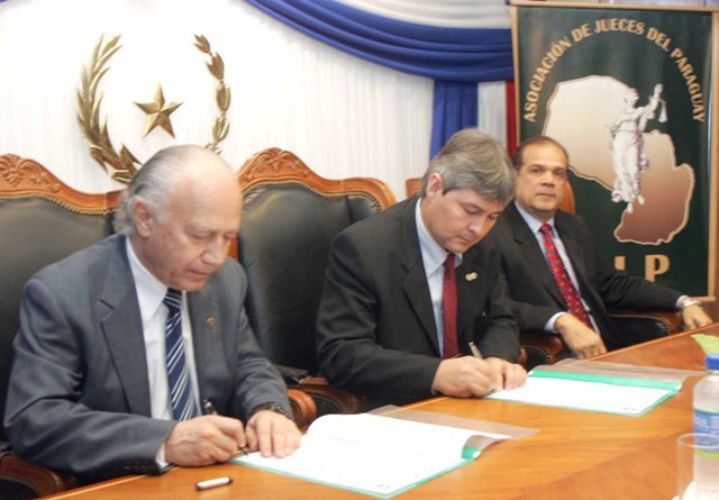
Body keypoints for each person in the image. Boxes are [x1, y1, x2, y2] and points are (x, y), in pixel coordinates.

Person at [4, 145, 300, 482]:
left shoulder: (225, 280)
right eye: (200, 236)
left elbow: (248, 364)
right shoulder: (63, 293)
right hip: (125, 483)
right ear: (144, 217)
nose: (217, 257)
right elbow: (35, 419)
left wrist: (267, 409)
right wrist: (165, 440)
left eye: (228, 236)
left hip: (219, 475)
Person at [316, 128, 526, 407]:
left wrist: (496, 358)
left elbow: (501, 318)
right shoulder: (363, 248)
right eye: (470, 211)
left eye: (493, 217)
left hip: (471, 403)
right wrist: (435, 374)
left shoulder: (483, 244)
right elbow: (341, 353)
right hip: (395, 406)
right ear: (435, 187)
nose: (479, 229)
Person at [494, 136, 711, 359]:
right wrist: (559, 320)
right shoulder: (494, 233)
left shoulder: (573, 226)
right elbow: (497, 305)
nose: (549, 181)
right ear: (514, 176)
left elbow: (613, 284)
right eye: (537, 170)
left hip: (606, 348)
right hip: (557, 355)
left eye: (558, 173)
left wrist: (683, 302)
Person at [609, 84, 666, 213]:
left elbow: (651, 107)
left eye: (634, 96)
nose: (632, 99)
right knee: (621, 167)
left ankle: (635, 193)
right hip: (621, 139)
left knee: (633, 169)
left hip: (633, 140)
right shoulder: (621, 113)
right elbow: (615, 128)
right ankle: (628, 198)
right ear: (626, 98)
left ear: (635, 99)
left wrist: (656, 94)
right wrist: (613, 127)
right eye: (630, 96)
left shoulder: (639, 110)